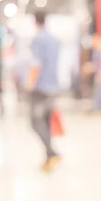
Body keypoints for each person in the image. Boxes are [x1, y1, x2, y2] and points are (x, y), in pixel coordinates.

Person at [28, 12, 62, 172]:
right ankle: (49, 157)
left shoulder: (38, 40)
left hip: (41, 87)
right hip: (54, 85)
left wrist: (30, 83)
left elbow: (36, 64)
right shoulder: (54, 40)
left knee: (35, 122)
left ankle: (51, 152)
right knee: (46, 122)